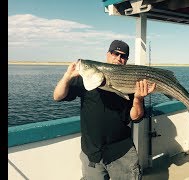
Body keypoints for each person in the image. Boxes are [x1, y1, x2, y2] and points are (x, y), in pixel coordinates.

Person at [53, 40, 156, 180]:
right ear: (108, 54)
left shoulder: (132, 81)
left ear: (126, 60)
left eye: (123, 56)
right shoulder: (85, 79)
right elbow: (58, 96)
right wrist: (67, 76)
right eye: (115, 53)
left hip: (122, 151)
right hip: (92, 153)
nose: (118, 58)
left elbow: (136, 117)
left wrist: (138, 98)